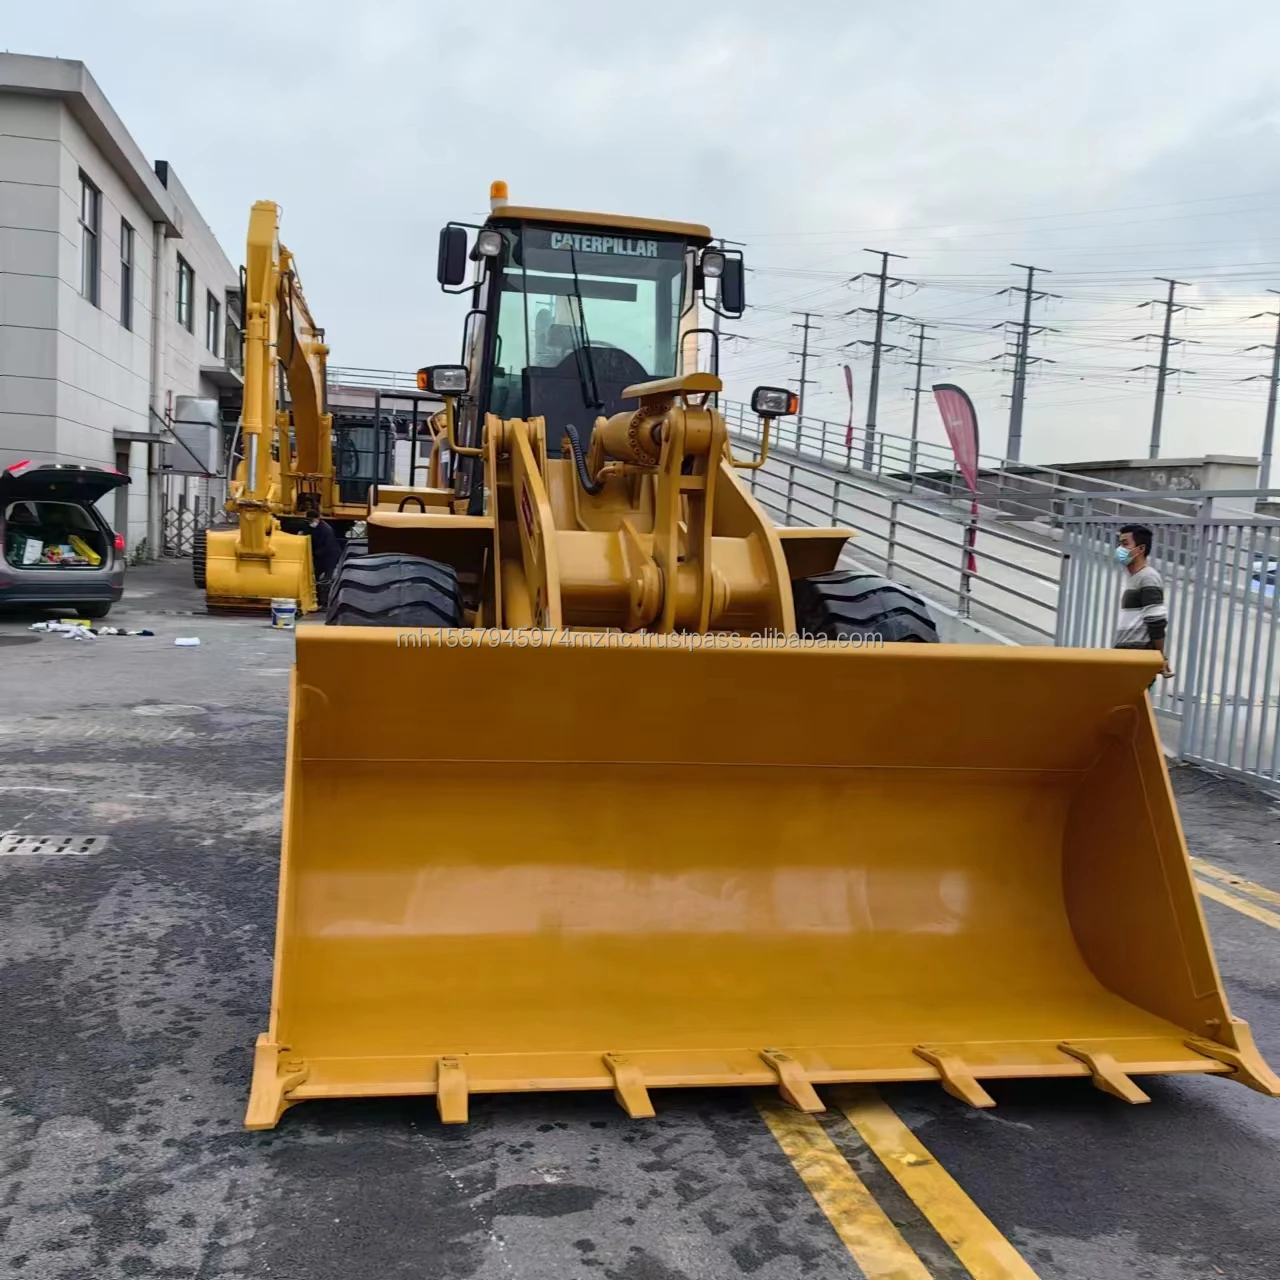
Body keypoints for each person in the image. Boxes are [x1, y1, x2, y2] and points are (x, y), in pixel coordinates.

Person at [1114, 523, 1173, 684]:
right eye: (1119, 544)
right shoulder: (1135, 577)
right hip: (1128, 653)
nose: (1120, 548)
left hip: (1137, 655)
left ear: (1140, 549)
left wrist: (1159, 657)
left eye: (1125, 544)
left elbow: (1156, 621)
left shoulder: (1148, 577)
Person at [304, 511, 341, 584]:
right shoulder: (313, 527)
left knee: (327, 576)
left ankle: (325, 589)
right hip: (320, 555)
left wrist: (314, 554)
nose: (310, 523)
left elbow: (328, 545)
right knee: (316, 573)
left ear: (317, 518)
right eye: (308, 521)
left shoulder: (326, 529)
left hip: (330, 555)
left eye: (311, 521)